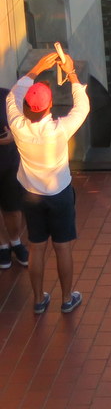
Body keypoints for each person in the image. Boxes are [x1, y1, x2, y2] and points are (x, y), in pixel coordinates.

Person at [5, 50, 89, 313]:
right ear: (49, 105)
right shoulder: (59, 129)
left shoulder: (17, 125)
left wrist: (36, 68)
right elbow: (83, 106)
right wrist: (71, 71)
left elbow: (12, 95)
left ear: (27, 107)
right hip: (59, 195)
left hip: (31, 194)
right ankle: (67, 298)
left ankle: (38, 299)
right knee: (62, 248)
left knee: (36, 248)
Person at [0, 85, 30, 270]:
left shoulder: (6, 96)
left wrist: (13, 137)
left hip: (10, 164)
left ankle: (15, 241)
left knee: (13, 209)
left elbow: (24, 124)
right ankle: (3, 245)